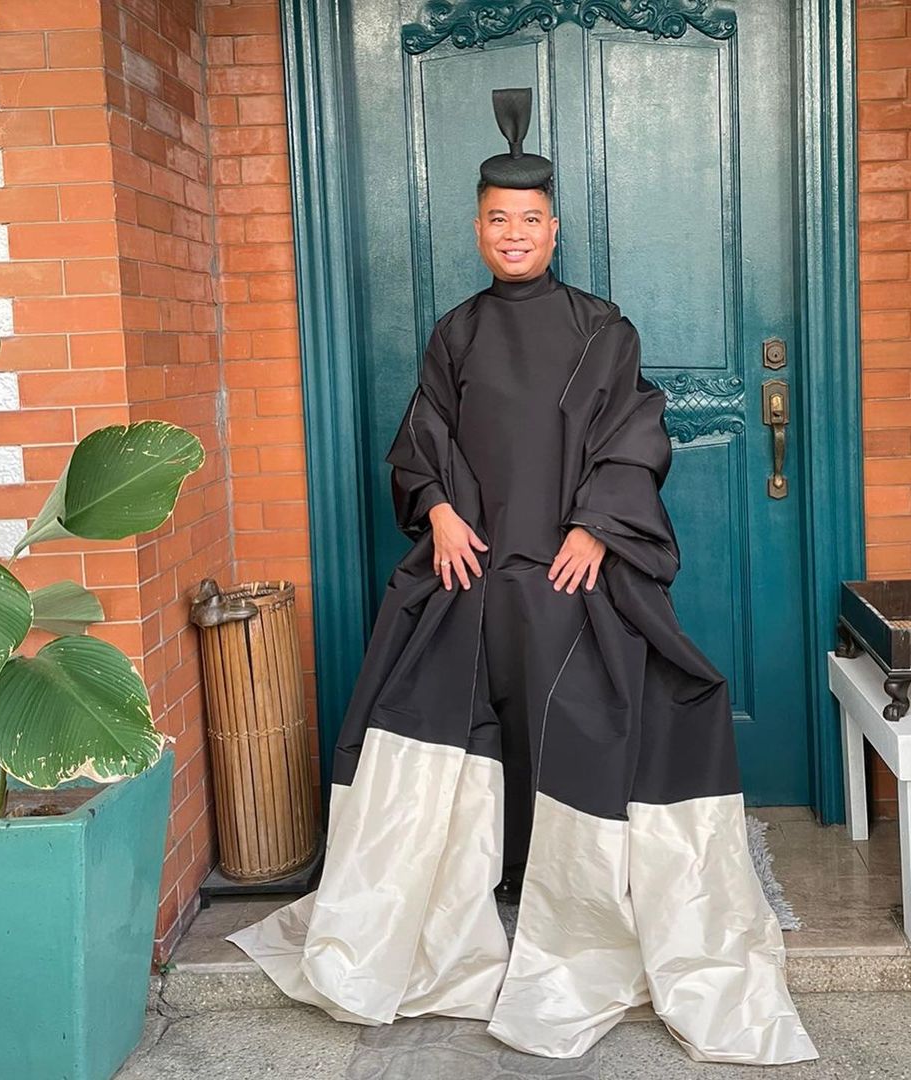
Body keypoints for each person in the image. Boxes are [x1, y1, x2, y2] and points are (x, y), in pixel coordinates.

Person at [227, 86, 819, 1066]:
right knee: (448, 688)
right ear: (477, 230)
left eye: (530, 220)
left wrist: (598, 526)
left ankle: (570, 889)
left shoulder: (602, 329)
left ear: (554, 229)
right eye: (498, 220)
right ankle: (485, 874)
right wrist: (439, 510)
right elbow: (423, 439)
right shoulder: (454, 333)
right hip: (473, 563)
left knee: (582, 687)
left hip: (571, 567)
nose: (514, 234)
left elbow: (633, 435)